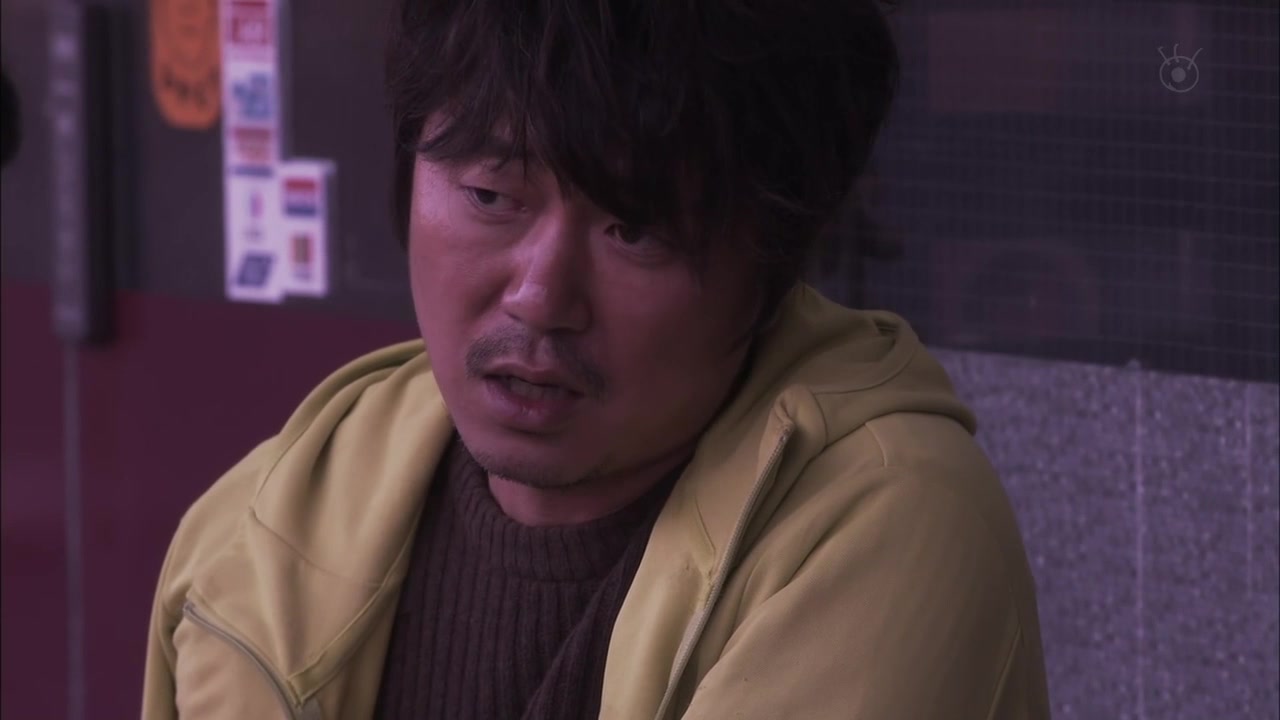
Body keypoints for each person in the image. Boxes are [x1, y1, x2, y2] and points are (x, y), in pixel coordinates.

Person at [141, 0, 1050, 717]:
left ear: (772, 257)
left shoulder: (882, 520)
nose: (540, 297)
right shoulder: (263, 530)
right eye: (491, 195)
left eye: (635, 229)